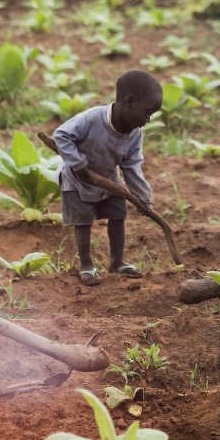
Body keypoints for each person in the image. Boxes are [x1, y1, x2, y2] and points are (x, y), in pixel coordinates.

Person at [53, 69, 162, 286]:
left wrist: (144, 199)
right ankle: (86, 265)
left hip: (109, 179)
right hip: (76, 179)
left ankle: (117, 262)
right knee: (83, 221)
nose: (147, 120)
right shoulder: (92, 118)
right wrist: (78, 163)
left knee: (118, 214)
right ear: (129, 101)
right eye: (147, 113)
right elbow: (61, 135)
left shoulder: (135, 134)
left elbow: (131, 167)